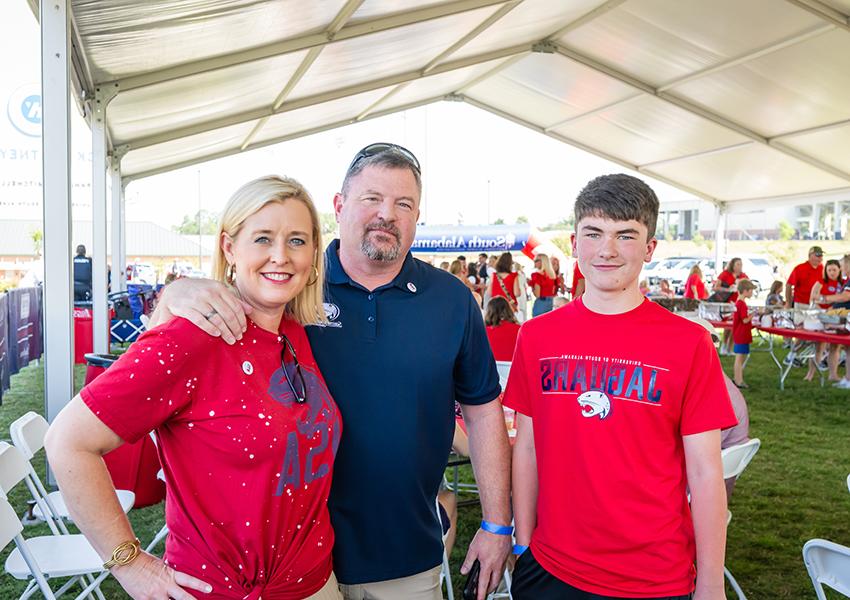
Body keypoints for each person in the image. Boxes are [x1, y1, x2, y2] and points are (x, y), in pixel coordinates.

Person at [150, 143, 511, 600]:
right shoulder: (290, 284)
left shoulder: (452, 300)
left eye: (403, 204)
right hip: (293, 561)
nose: (387, 214)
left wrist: (498, 522)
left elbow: (482, 410)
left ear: (418, 214)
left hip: (404, 551)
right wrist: (173, 296)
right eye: (371, 199)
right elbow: (215, 311)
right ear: (339, 206)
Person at [44, 176, 343, 600]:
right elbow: (66, 441)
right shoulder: (193, 338)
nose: (281, 255)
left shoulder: (296, 331)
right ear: (228, 248)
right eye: (262, 238)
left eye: (297, 240)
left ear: (314, 253)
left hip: (316, 583)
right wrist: (130, 564)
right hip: (220, 591)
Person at [506, 173, 735, 600]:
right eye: (593, 233)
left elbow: (706, 474)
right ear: (575, 243)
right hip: (552, 567)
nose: (607, 250)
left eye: (625, 235)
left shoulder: (688, 343)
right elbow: (528, 446)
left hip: (652, 576)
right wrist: (522, 542)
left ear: (649, 248)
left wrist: (711, 581)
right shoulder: (536, 336)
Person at [809, 259, 844, 382]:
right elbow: (813, 298)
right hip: (821, 316)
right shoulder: (821, 282)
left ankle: (833, 374)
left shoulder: (843, 283)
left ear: (840, 269)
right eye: (829, 270)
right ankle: (810, 374)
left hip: (835, 317)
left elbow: (842, 299)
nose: (832, 272)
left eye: (834, 270)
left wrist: (833, 307)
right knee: (819, 346)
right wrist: (822, 310)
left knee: (835, 346)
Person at [733, 279, 757, 389]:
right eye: (751, 291)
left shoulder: (739, 302)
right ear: (745, 291)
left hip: (740, 334)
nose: (752, 293)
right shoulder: (741, 304)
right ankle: (739, 380)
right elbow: (745, 320)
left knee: (741, 357)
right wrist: (753, 314)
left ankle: (738, 378)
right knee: (739, 358)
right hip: (741, 334)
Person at [484, 297, 521, 361]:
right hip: (513, 368)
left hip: (491, 369)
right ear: (508, 310)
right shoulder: (519, 330)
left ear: (489, 312)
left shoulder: (483, 332)